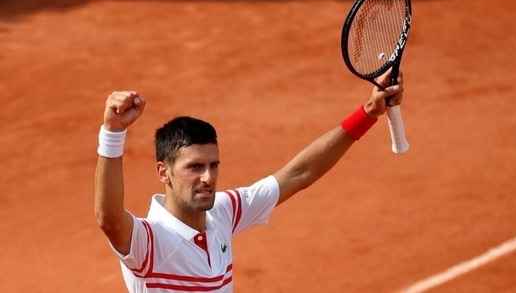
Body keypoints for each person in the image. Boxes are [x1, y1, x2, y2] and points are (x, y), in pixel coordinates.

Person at [94, 69, 405, 292]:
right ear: (164, 173)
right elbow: (108, 219)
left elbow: (298, 174)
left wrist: (368, 112)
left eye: (214, 165)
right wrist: (113, 133)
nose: (208, 178)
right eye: (195, 167)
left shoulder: (223, 212)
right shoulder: (149, 242)